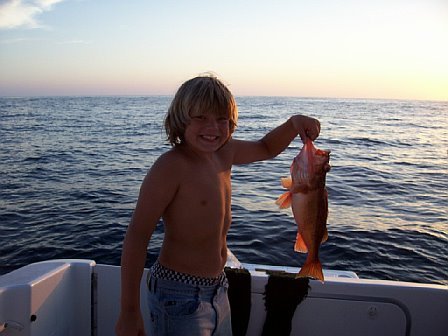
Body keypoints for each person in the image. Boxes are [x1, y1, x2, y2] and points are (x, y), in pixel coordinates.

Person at [115, 74, 321, 336]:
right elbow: (137, 235)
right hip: (178, 293)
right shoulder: (171, 167)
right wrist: (129, 311)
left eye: (221, 119)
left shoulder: (226, 153)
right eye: (200, 117)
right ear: (180, 119)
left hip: (218, 287)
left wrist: (293, 124)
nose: (212, 127)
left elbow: (266, 147)